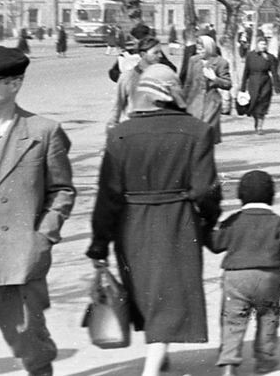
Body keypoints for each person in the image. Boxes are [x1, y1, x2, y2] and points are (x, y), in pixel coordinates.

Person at [87, 64, 222, 376]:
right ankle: (153, 365)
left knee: (148, 290)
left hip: (131, 224)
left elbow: (107, 195)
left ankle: (156, 358)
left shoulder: (120, 134)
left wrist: (99, 245)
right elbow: (206, 189)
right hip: (178, 221)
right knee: (170, 290)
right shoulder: (197, 130)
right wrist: (208, 220)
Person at [0, 47, 74, 376]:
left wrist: (43, 236)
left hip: (18, 258)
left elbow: (61, 190)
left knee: (31, 347)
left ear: (15, 84)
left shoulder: (43, 132)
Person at [209, 170, 280, 376]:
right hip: (268, 276)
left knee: (233, 319)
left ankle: (228, 363)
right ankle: (264, 359)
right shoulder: (279, 222)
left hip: (235, 277)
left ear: (240, 195)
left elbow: (216, 244)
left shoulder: (234, 220)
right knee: (268, 317)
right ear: (271, 195)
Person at [181, 35, 232, 145]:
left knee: (205, 132)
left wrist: (214, 78)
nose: (199, 51)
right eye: (198, 49)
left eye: (201, 49)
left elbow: (228, 84)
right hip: (194, 101)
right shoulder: (193, 60)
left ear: (209, 48)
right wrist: (182, 101)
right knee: (193, 133)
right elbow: (188, 82)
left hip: (211, 102)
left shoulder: (221, 62)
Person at [108, 37, 167, 131]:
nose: (160, 56)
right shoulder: (127, 77)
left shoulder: (164, 76)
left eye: (160, 52)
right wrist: (111, 129)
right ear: (143, 54)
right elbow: (117, 106)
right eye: (155, 53)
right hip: (134, 128)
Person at [240, 38, 280, 135]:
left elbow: (274, 72)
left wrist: (277, 86)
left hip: (265, 82)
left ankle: (260, 126)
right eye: (261, 44)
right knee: (254, 103)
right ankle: (256, 121)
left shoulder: (270, 57)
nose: (263, 46)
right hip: (253, 82)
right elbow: (246, 71)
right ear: (257, 44)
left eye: (265, 44)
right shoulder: (250, 55)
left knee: (263, 104)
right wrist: (243, 87)